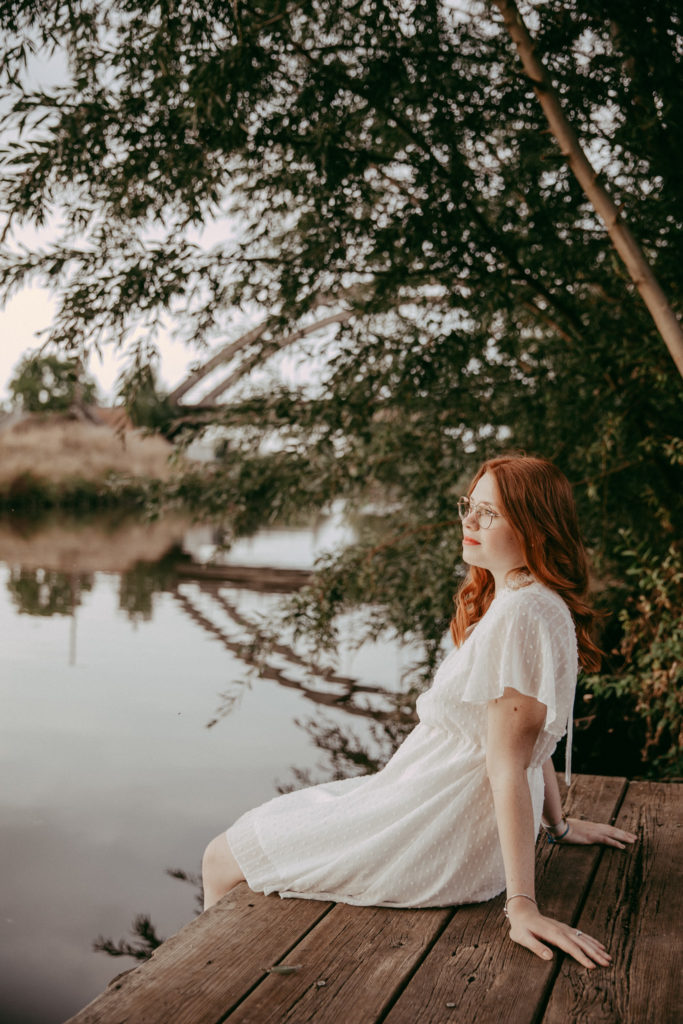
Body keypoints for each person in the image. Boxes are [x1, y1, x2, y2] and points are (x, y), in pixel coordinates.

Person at [202, 455, 636, 967]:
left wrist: (522, 906)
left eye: (489, 514)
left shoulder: (521, 612)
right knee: (270, 829)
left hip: (440, 824)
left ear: (536, 528)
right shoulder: (525, 599)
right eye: (468, 508)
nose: (469, 523)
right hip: (433, 800)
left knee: (222, 857)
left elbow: (508, 760)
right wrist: (557, 826)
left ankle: (209, 980)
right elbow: (528, 738)